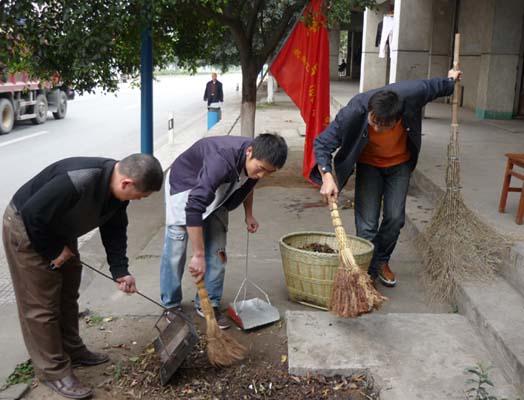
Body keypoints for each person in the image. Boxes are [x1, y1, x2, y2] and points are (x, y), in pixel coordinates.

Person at [2, 154, 163, 399]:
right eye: (141, 196)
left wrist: (120, 270)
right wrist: (54, 251)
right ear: (126, 184)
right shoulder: (76, 180)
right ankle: (53, 371)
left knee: (68, 294)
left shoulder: (117, 189)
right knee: (41, 306)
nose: (140, 200)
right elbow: (33, 214)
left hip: (59, 228)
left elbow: (115, 227)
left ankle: (72, 350)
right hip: (27, 229)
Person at [311, 69, 462, 288]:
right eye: (374, 122)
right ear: (369, 111)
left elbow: (433, 87)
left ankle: (381, 260)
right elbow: (323, 142)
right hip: (369, 166)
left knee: (395, 218)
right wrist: (326, 175)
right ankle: (367, 272)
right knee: (367, 225)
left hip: (399, 164)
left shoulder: (411, 96)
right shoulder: (355, 109)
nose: (378, 129)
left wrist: (450, 79)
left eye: (385, 126)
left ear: (398, 119)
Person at [160, 133, 287, 329]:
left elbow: (248, 184)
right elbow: (194, 206)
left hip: (220, 190)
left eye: (269, 172)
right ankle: (171, 304)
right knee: (176, 249)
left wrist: (249, 214)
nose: (262, 175)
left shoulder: (256, 164)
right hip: (186, 185)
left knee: (218, 252)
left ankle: (209, 304)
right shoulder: (220, 160)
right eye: (261, 169)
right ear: (249, 152)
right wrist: (198, 254)